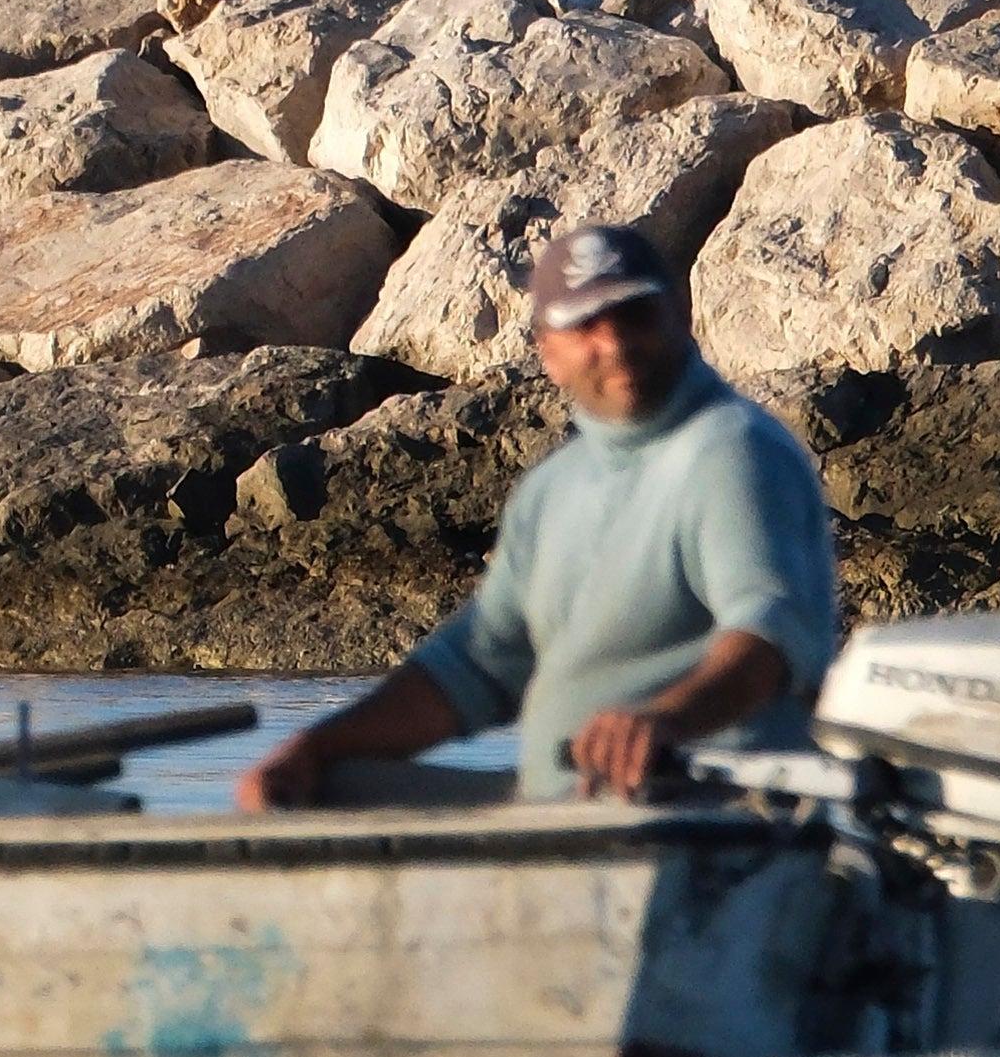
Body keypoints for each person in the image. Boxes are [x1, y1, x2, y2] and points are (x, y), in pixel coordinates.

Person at [240, 219, 836, 808]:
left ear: (680, 316)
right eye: (586, 325)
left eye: (634, 315)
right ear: (547, 354)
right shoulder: (554, 487)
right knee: (314, 792)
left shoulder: (732, 450)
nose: (616, 343)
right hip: (557, 809)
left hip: (708, 818)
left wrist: (665, 721)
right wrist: (313, 745)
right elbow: (477, 667)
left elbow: (773, 634)